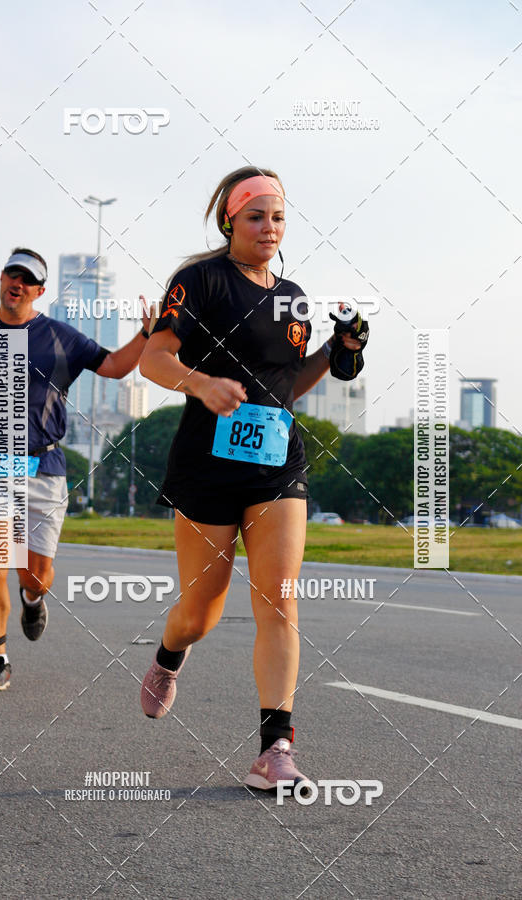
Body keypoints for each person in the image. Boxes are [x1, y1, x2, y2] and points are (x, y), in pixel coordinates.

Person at [138, 167, 367, 792]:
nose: (269, 227)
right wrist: (202, 384)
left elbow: (290, 383)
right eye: (256, 216)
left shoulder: (293, 296)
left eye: (278, 217)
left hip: (277, 463)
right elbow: (154, 358)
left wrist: (339, 349)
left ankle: (275, 749)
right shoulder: (200, 280)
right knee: (200, 613)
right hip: (206, 467)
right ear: (230, 221)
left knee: (279, 599)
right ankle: (169, 654)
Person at [0, 248, 151, 691]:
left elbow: (115, 367)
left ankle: (32, 597)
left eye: (28, 279)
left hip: (42, 466)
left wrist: (146, 333)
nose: (18, 283)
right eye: (13, 274)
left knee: (35, 574)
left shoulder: (60, 337)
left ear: (40, 291)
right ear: (1, 277)